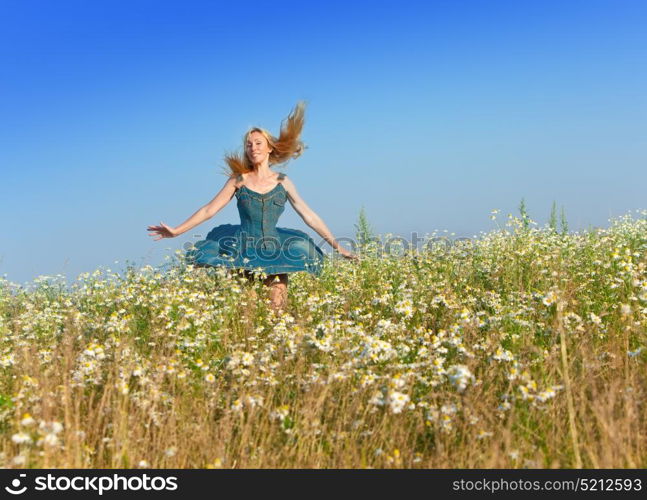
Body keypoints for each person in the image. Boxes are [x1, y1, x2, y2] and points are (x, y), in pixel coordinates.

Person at [147, 102, 358, 312]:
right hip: (242, 249)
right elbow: (209, 210)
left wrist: (339, 248)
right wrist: (176, 231)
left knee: (277, 308)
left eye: (258, 143)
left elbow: (309, 216)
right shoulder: (238, 180)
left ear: (269, 148)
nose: (253, 148)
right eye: (249, 144)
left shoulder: (283, 182)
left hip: (275, 250)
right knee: (247, 311)